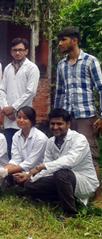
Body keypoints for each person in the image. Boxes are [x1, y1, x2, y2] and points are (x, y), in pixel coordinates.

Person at [16, 108, 99, 219]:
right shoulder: (51, 142)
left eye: (59, 124)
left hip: (82, 180)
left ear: (68, 124)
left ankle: (70, 214)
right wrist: (28, 175)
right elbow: (48, 166)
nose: (55, 127)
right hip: (61, 179)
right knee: (30, 184)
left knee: (62, 173)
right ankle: (62, 198)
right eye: (52, 124)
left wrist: (40, 167)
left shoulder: (79, 139)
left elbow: (70, 161)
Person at [54, 26, 102, 206]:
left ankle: (98, 197)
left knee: (90, 155)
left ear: (74, 41)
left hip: (86, 116)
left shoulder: (90, 61)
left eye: (63, 40)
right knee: (67, 154)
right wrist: (57, 119)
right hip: (67, 118)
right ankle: (73, 193)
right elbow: (59, 92)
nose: (60, 44)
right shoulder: (61, 65)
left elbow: (101, 89)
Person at [0, 38, 40, 157]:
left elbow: (30, 92)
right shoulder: (8, 68)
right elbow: (2, 90)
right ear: (11, 52)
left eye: (20, 50)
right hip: (9, 117)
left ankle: (24, 174)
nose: (17, 53)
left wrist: (13, 108)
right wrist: (6, 108)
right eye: (14, 50)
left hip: (24, 114)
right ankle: (11, 174)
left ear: (26, 51)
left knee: (25, 148)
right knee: (11, 147)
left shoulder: (32, 68)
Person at [0, 106, 47, 185]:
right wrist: (3, 170)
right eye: (19, 117)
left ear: (32, 120)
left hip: (38, 170)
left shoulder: (40, 138)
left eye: (25, 118)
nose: (21, 120)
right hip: (22, 169)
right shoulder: (16, 135)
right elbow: (16, 159)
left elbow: (30, 163)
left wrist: (6, 171)